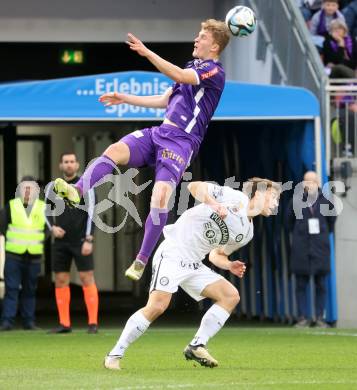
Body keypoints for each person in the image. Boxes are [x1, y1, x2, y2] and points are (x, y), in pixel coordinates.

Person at [53, 19, 231, 281]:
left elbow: (180, 76)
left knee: (159, 197)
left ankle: (141, 260)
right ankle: (77, 190)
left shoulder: (214, 72)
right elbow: (164, 100)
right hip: (160, 133)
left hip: (181, 142)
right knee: (114, 150)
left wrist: (147, 53)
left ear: (214, 45)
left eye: (202, 36)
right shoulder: (191, 67)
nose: (196, 39)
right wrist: (126, 98)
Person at [103, 178, 281, 370]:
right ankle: (114, 355)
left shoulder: (247, 233)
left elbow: (216, 255)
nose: (276, 203)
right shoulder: (235, 198)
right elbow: (194, 186)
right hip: (174, 252)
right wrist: (214, 205)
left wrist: (228, 265)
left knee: (230, 296)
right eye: (273, 197)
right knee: (158, 306)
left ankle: (196, 345)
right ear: (259, 193)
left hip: (194, 263)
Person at [46, 153, 98, 334]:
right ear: (61, 165)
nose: (69, 165)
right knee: (60, 280)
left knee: (86, 278)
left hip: (81, 241)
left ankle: (93, 323)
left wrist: (89, 238)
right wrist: (52, 228)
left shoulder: (85, 185)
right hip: (61, 242)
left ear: (77, 165)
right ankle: (64, 324)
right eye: (66, 162)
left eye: (72, 162)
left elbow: (92, 213)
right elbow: (46, 211)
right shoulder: (53, 187)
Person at [286, 171, 336, 328]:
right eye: (307, 181)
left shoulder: (326, 201)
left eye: (312, 181)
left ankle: (320, 317)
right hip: (301, 248)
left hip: (320, 248)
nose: (309, 184)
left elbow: (331, 223)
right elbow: (287, 222)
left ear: (318, 183)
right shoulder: (295, 200)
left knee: (321, 284)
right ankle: (302, 318)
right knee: (301, 284)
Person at [0, 176, 46, 331]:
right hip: (14, 255)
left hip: (33, 256)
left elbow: (47, 230)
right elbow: (3, 228)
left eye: (31, 188)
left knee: (30, 290)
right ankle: (7, 322)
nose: (28, 191)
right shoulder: (11, 206)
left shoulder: (43, 207)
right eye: (25, 188)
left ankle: (29, 322)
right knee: (11, 289)